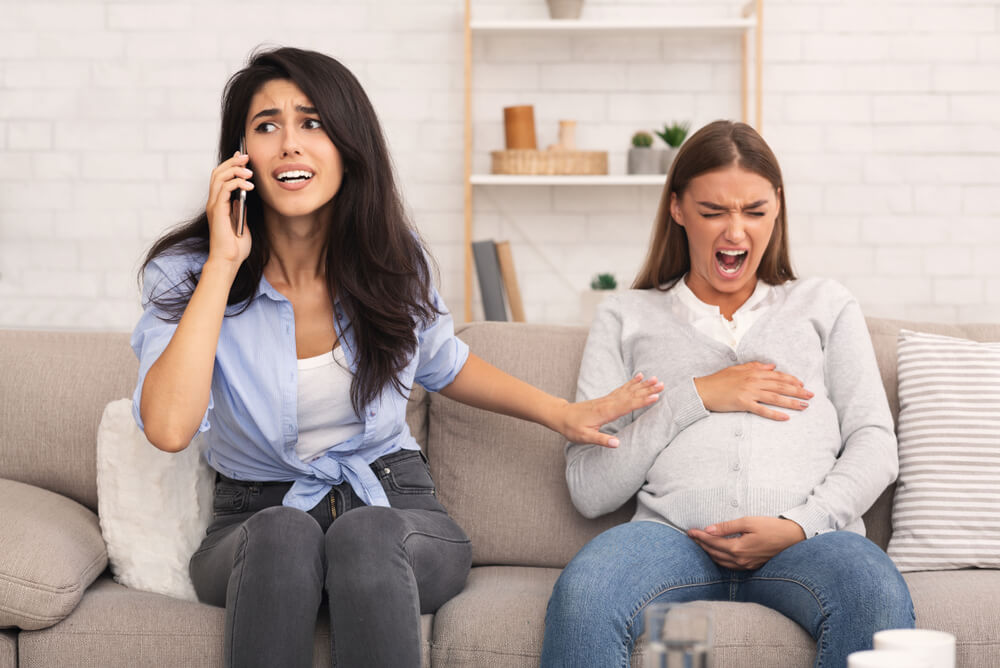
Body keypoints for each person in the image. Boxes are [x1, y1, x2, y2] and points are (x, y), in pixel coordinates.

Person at [130, 47, 661, 668]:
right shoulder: (188, 270)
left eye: (313, 122)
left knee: (366, 531)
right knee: (282, 532)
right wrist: (223, 263)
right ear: (239, 156)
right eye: (266, 126)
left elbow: (443, 361)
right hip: (254, 520)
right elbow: (168, 427)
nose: (289, 144)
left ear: (349, 145)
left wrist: (561, 414)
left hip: (393, 506)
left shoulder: (391, 261)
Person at [540, 120, 915, 668]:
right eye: (714, 212)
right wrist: (694, 397)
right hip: (670, 544)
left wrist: (798, 525)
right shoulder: (626, 316)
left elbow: (876, 443)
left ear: (778, 208)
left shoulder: (824, 305)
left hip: (808, 547)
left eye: (754, 211)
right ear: (678, 209)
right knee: (588, 594)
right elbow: (590, 490)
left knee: (874, 592)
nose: (735, 233)